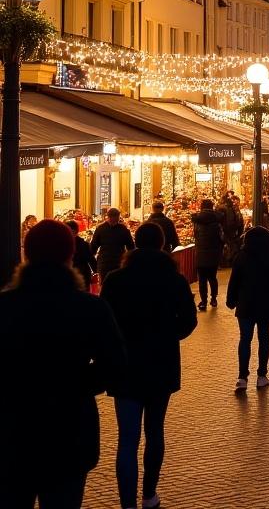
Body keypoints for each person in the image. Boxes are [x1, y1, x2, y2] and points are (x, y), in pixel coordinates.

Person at [0, 220, 126, 509]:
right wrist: (77, 383)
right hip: (70, 433)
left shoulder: (5, 306)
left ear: (27, 255)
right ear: (70, 257)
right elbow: (116, 365)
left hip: (12, 433)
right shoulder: (89, 308)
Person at [101, 222, 197, 509]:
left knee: (127, 438)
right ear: (162, 245)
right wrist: (169, 336)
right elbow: (189, 320)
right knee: (155, 431)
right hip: (161, 364)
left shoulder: (115, 280)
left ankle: (127, 503)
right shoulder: (174, 279)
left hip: (126, 365)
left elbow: (105, 321)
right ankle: (149, 494)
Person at [226, 226, 269, 392]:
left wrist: (231, 300)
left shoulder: (241, 257)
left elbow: (234, 282)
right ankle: (262, 375)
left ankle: (242, 377)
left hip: (245, 304)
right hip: (266, 305)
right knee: (264, 338)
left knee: (245, 339)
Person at [191, 198, 225, 311]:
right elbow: (222, 238)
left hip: (200, 252)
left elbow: (195, 236)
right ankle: (214, 299)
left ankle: (203, 301)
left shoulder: (197, 221)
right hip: (214, 253)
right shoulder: (217, 221)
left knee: (202, 279)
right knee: (212, 277)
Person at [91, 207, 136, 282]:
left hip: (105, 261)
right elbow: (131, 247)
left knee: (105, 285)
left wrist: (93, 260)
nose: (115, 219)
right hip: (117, 261)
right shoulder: (123, 229)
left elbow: (93, 246)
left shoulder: (100, 228)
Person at [68, 219, 98, 291]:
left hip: (70, 274)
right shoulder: (84, 244)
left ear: (73, 231)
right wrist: (95, 270)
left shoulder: (65, 244)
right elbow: (91, 259)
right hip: (83, 274)